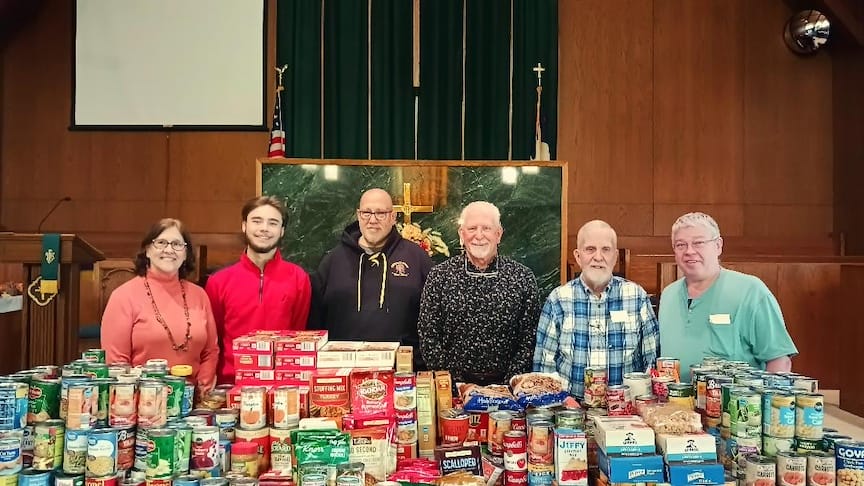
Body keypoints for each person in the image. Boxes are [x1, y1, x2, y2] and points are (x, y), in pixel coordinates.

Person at [659, 212, 798, 381]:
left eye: (699, 243)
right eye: (681, 245)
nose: (689, 251)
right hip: (675, 404)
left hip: (736, 405)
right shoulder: (667, 295)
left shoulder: (751, 291)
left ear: (718, 245)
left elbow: (779, 360)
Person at [533, 220, 660, 398]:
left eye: (606, 250)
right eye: (590, 249)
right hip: (571, 410)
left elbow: (651, 359)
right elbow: (543, 367)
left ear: (615, 257)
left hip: (626, 412)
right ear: (578, 256)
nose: (598, 257)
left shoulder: (637, 296)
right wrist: (561, 402)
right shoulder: (558, 299)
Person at [417, 201, 540, 385]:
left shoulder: (522, 277)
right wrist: (455, 384)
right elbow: (428, 335)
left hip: (507, 391)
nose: (479, 236)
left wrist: (507, 386)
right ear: (461, 234)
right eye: (472, 228)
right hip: (452, 389)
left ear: (498, 235)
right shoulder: (439, 276)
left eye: (487, 228)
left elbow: (529, 340)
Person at [308, 188, 432, 366]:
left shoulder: (417, 258)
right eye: (367, 213)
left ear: (393, 217)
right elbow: (315, 320)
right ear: (358, 215)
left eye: (381, 213)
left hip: (404, 373)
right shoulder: (333, 261)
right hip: (345, 372)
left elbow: (434, 320)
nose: (372, 220)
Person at [101, 218, 218, 392]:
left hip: (193, 401)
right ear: (147, 250)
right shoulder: (123, 297)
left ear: (186, 254)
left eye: (177, 244)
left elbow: (211, 351)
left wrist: (203, 384)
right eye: (161, 243)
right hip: (143, 402)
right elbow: (116, 362)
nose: (169, 249)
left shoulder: (199, 295)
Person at [205, 196, 311, 384]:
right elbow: (214, 340)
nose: (264, 228)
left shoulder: (298, 278)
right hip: (231, 385)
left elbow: (298, 334)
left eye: (273, 223)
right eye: (257, 221)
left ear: (282, 231)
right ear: (244, 226)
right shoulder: (218, 281)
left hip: (283, 386)